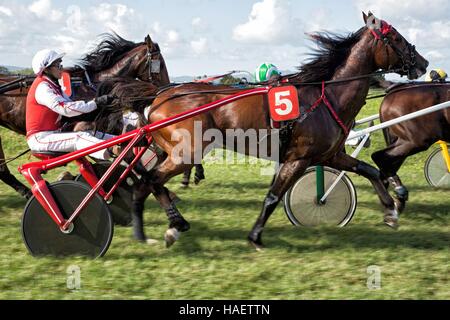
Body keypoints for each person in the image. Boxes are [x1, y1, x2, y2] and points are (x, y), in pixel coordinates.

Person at [26, 49, 118, 160]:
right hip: (40, 139)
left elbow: (72, 104)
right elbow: (67, 109)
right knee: (80, 137)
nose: (62, 68)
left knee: (90, 133)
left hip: (52, 135)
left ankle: (121, 140)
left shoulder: (54, 85)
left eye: (61, 64)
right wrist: (96, 103)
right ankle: (113, 150)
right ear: (47, 69)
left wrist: (100, 102)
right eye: (58, 65)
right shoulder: (43, 88)